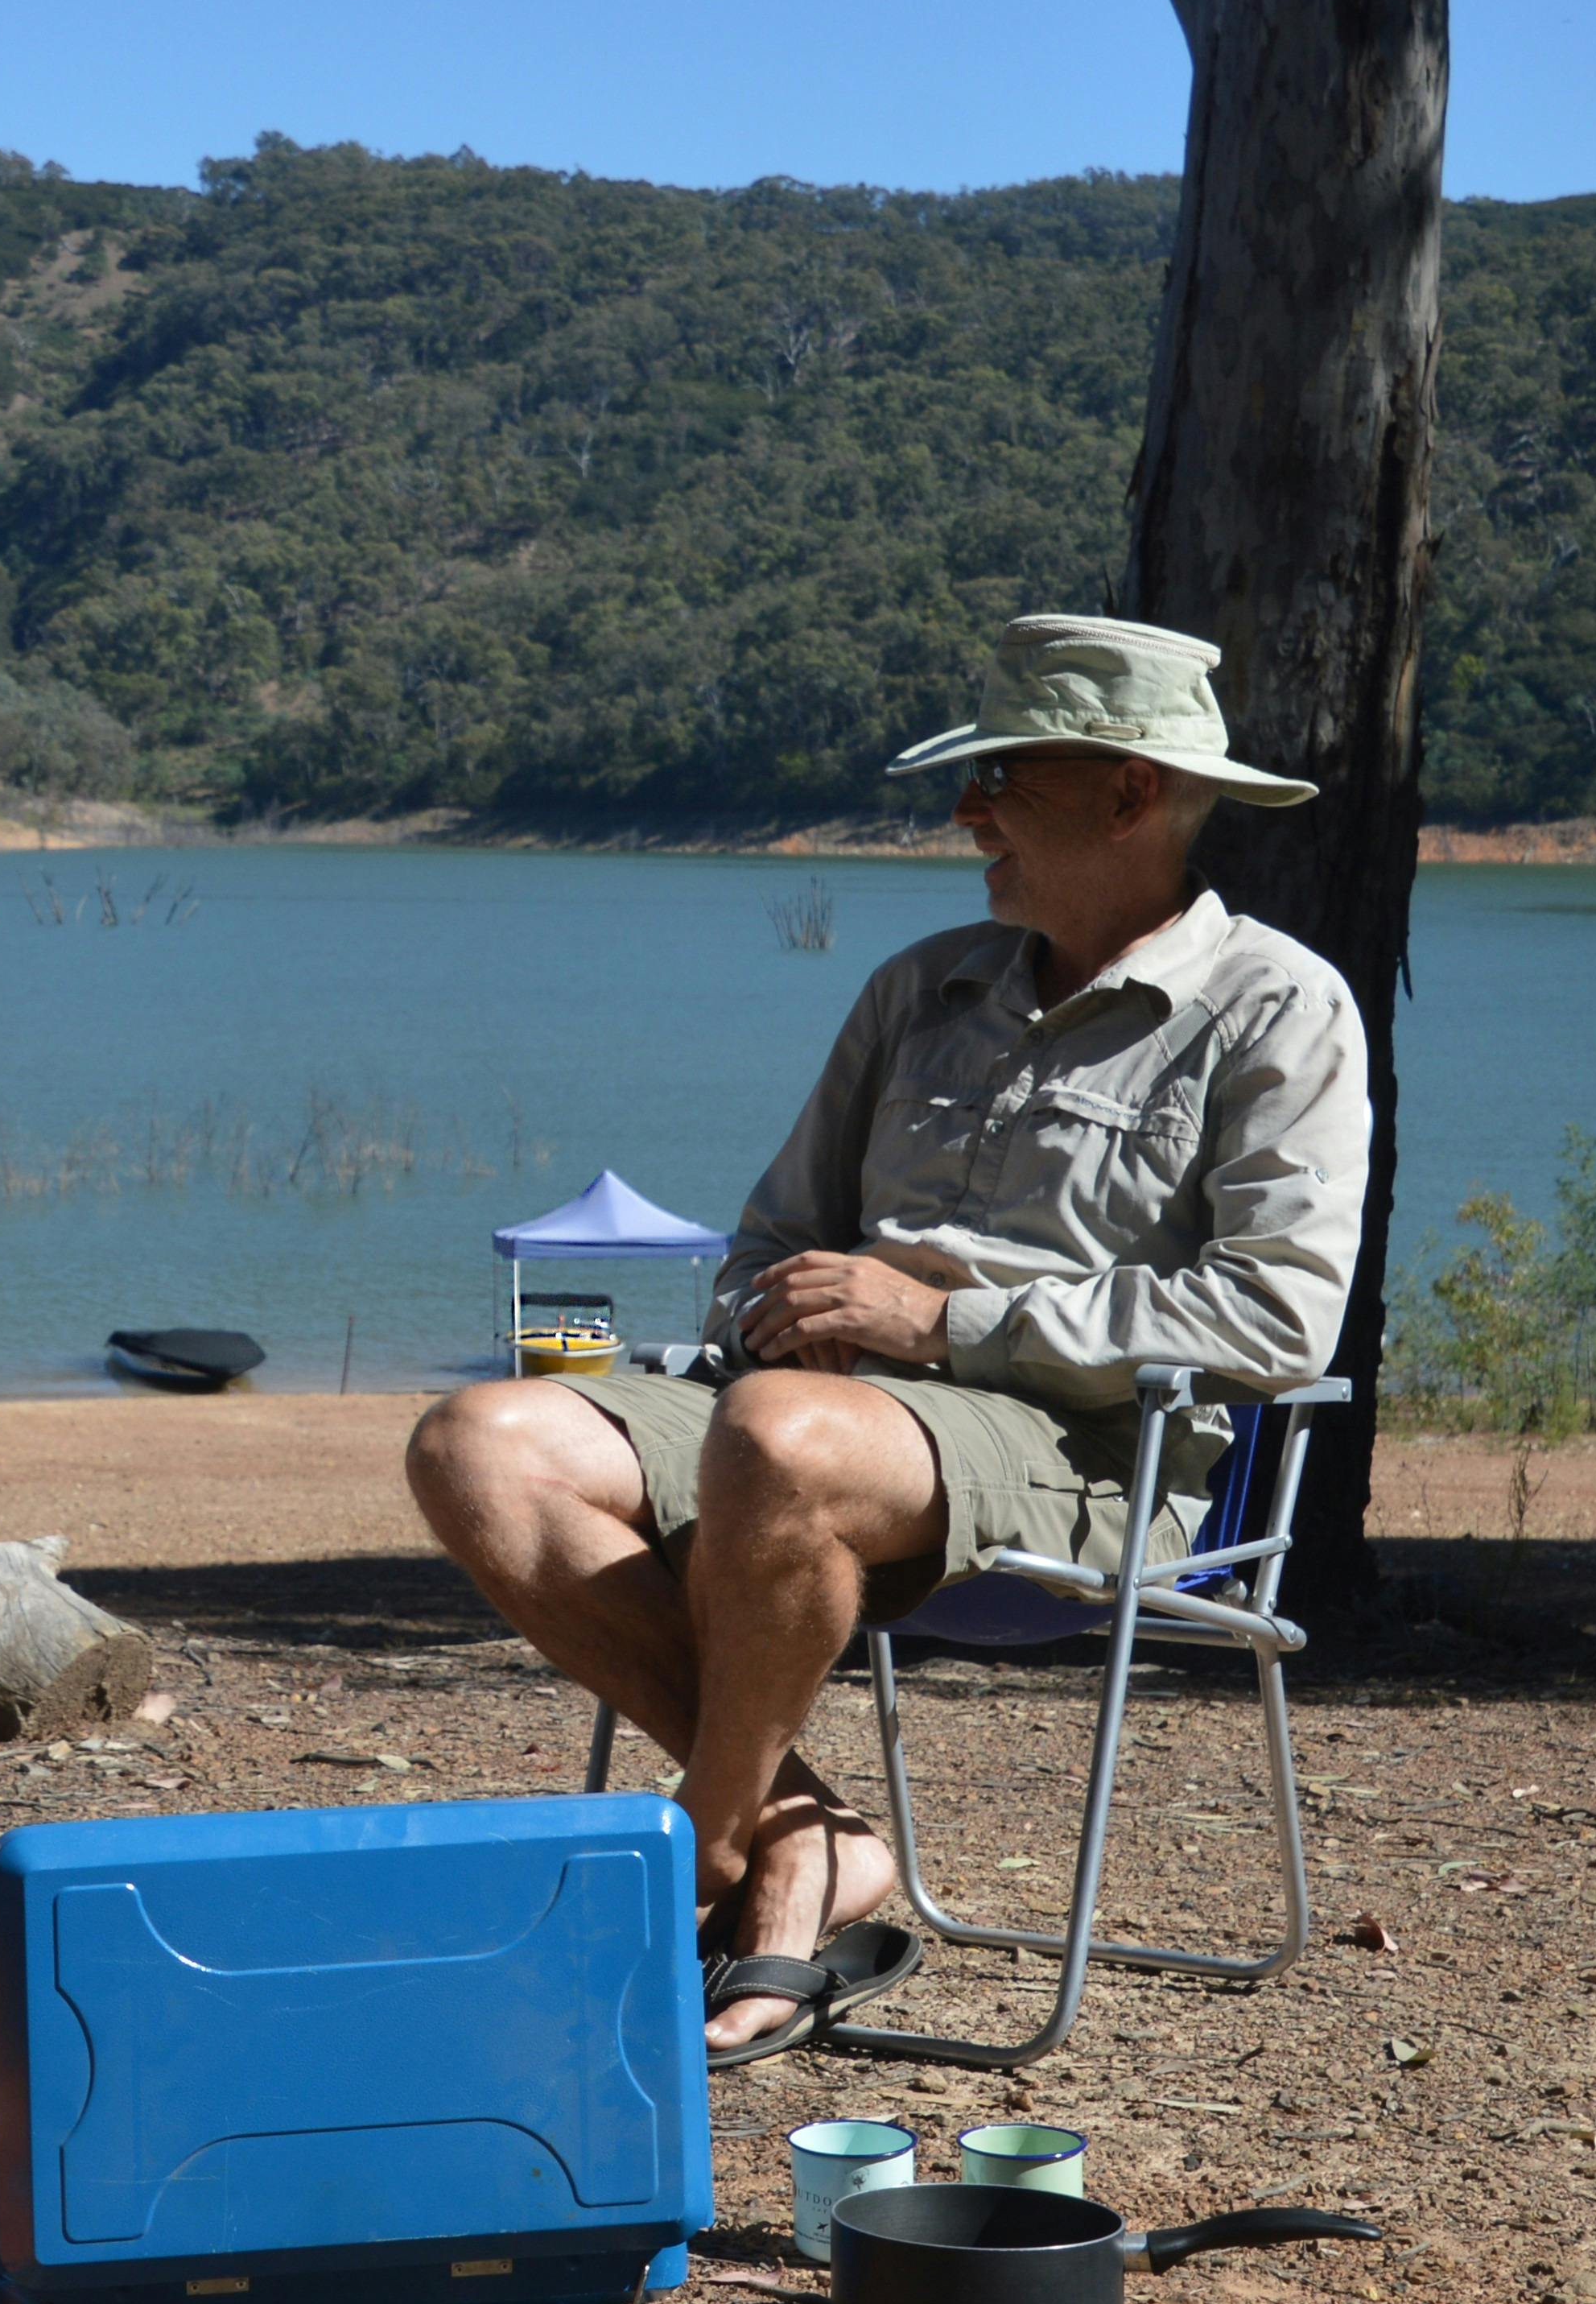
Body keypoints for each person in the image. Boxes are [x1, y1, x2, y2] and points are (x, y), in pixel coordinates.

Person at [404, 614, 1368, 2069]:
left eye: (1003, 779)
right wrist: (783, 1313)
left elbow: (1278, 1317)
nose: (966, 811)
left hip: (1093, 1451)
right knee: (475, 1442)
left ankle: (713, 1850)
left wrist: (939, 1318)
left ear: (1128, 795)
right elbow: (767, 1239)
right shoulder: (922, 988)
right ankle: (808, 1836)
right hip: (806, 1420)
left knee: (776, 1441)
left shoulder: (1279, 1013)